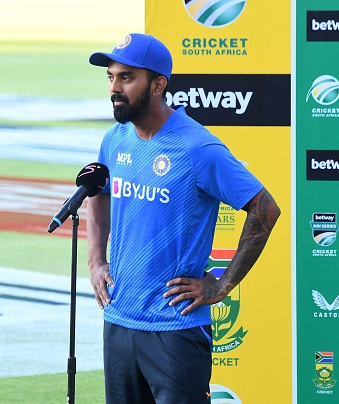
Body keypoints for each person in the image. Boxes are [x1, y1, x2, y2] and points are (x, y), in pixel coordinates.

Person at [86, 33, 281, 404]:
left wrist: (221, 286)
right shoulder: (115, 138)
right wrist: (96, 260)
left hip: (174, 330)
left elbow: (265, 209)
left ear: (158, 84)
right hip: (119, 319)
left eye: (127, 78)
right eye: (111, 77)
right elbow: (98, 193)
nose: (114, 87)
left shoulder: (197, 148)